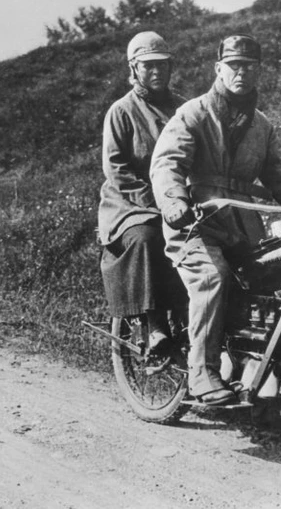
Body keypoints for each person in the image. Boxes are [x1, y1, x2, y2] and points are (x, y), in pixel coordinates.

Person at [150, 34, 281, 405]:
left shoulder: (262, 125)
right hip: (196, 223)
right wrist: (174, 201)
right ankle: (201, 372)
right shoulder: (193, 113)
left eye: (250, 66)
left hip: (243, 226)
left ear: (259, 72)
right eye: (234, 65)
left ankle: (266, 370)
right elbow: (167, 163)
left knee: (272, 279)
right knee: (212, 277)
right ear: (219, 69)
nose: (241, 72)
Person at [97, 31, 187, 352]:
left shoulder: (185, 109)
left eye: (162, 65)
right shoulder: (121, 112)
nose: (156, 72)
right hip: (130, 205)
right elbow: (117, 170)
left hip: (178, 200)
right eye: (148, 66)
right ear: (134, 69)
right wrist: (159, 203)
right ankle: (154, 323)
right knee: (147, 238)